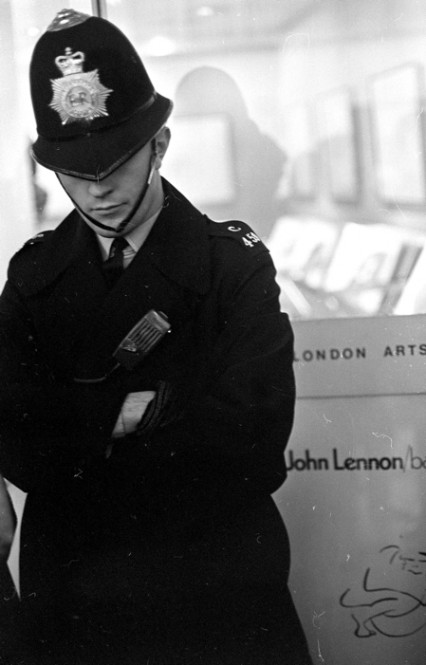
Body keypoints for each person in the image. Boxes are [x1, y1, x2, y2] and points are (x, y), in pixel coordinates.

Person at [0, 9, 312, 665]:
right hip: (77, 612)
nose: (97, 188)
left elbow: (251, 440)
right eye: (75, 169)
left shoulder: (233, 266)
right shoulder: (33, 280)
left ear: (160, 144)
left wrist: (81, 436)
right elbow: (19, 443)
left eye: (114, 161)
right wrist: (147, 415)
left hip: (217, 601)